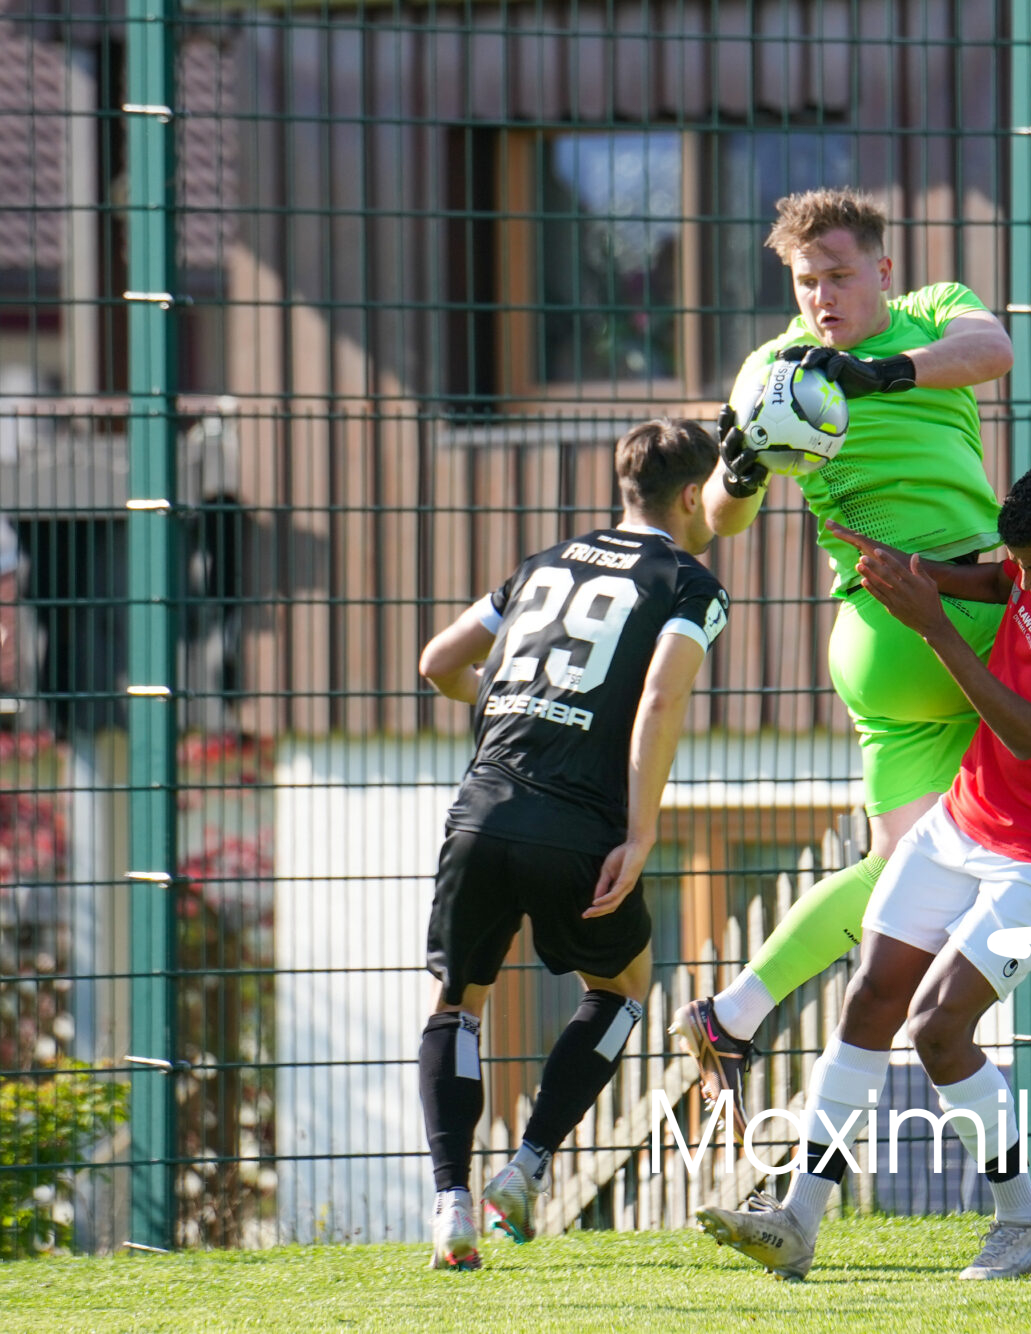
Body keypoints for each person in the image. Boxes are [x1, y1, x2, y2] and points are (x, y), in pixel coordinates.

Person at [696, 465, 1031, 1281]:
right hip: (961, 817)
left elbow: (1028, 732)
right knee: (871, 997)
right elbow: (1002, 579)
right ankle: (798, 1220)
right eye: (1026, 566)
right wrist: (921, 574)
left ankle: (1024, 1222)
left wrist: (932, 623)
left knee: (938, 1027)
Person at [667, 186, 1023, 1128]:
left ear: (882, 271)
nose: (822, 297)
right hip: (937, 618)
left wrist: (883, 374)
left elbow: (993, 351)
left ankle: (733, 1012)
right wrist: (737, 467)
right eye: (804, 281)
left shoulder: (935, 314)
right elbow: (717, 519)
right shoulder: (777, 367)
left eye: (837, 275)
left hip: (919, 627)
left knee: (902, 870)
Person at [414, 419, 730, 1271]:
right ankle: (526, 1168)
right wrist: (640, 831)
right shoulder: (689, 584)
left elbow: (438, 660)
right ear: (694, 496)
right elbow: (660, 702)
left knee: (456, 1004)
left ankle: (451, 1204)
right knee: (623, 987)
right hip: (578, 829)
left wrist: (500, 704)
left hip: (481, 812)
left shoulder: (544, 564)